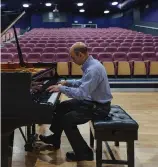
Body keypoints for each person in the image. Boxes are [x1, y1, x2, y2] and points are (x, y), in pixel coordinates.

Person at [39, 42, 113, 161]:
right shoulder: (91, 65)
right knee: (62, 106)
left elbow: (81, 94)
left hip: (99, 108)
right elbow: (82, 83)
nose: (72, 60)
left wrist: (61, 88)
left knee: (67, 119)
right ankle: (55, 138)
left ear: (80, 55)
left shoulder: (93, 69)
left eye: (73, 57)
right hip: (92, 102)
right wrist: (67, 83)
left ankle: (84, 153)